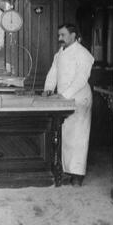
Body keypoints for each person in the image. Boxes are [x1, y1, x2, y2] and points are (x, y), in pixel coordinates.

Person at [43, 23, 94, 186]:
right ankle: (65, 171)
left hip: (79, 99)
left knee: (78, 137)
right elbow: (53, 72)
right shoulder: (60, 53)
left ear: (73, 35)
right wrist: (48, 89)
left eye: (63, 35)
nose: (60, 39)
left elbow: (81, 79)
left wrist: (64, 95)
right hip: (63, 100)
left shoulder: (83, 54)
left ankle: (77, 175)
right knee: (65, 136)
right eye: (59, 35)